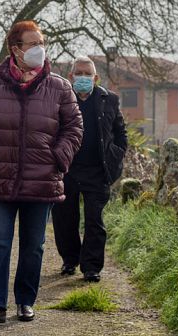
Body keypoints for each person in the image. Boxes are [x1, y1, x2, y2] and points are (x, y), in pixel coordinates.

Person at [0, 20, 82, 323]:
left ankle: (25, 300)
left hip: (42, 180)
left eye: (41, 42)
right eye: (32, 44)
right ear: (15, 49)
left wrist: (57, 158)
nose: (39, 49)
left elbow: (74, 128)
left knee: (34, 246)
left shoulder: (60, 86)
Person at [51, 56, 128, 282]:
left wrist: (116, 154)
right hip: (67, 170)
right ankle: (70, 259)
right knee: (65, 218)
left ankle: (92, 267)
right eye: (79, 73)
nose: (83, 77)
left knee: (95, 220)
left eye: (88, 74)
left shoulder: (109, 99)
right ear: (71, 76)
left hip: (98, 171)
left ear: (95, 78)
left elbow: (120, 133)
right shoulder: (62, 99)